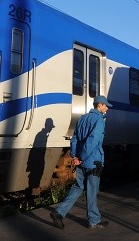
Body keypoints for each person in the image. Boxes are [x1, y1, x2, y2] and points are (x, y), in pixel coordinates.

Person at [50, 95, 112, 230]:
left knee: (77, 187)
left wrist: (75, 156)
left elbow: (75, 139)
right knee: (92, 190)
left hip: (80, 161)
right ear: (99, 105)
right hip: (93, 161)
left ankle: (59, 212)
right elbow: (92, 141)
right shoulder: (99, 120)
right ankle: (94, 221)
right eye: (106, 105)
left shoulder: (82, 118)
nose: (107, 108)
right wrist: (82, 157)